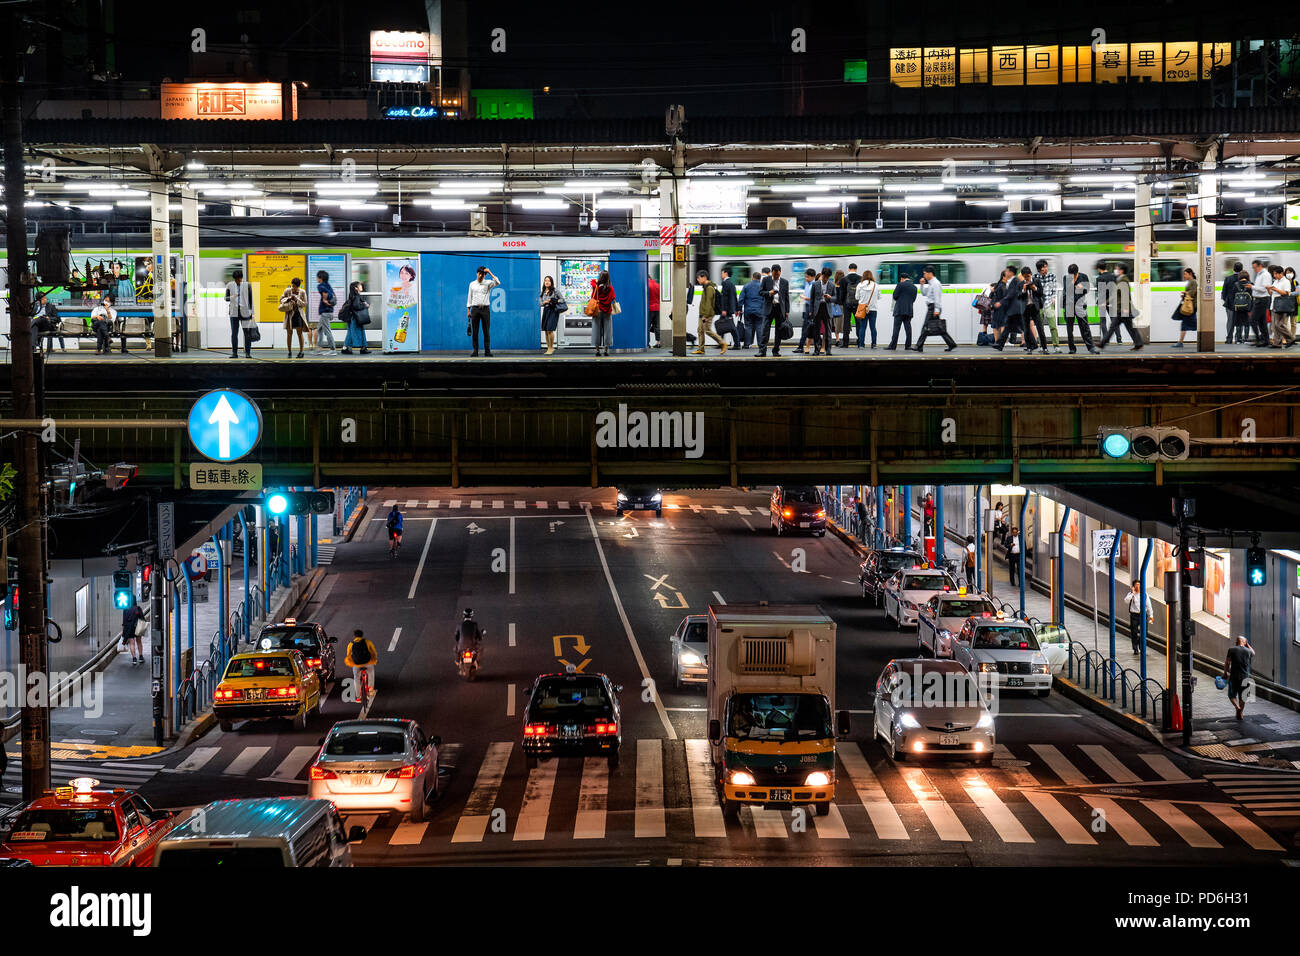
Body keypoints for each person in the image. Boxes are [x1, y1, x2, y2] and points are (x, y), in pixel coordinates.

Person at [913, 264, 956, 353]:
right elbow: (924, 293)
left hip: (933, 308)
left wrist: (936, 310)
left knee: (925, 326)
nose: (924, 275)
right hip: (932, 307)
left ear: (930, 273)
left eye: (925, 273)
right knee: (940, 328)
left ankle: (919, 346)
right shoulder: (931, 283)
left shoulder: (936, 283)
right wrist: (922, 285)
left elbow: (937, 298)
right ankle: (951, 344)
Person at [1098, 264, 1141, 350]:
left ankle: (1103, 343)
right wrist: (1106, 303)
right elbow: (1115, 295)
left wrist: (1125, 308)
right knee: (1127, 328)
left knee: (1115, 327)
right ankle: (1138, 343)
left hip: (1123, 309)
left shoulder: (1123, 280)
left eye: (1117, 269)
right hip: (1121, 309)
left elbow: (1125, 295)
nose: (1115, 270)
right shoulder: (1120, 279)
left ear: (1121, 270)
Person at [1063, 263, 1098, 353]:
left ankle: (1091, 348)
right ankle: (1072, 348)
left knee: (1085, 327)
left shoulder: (1083, 277)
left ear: (1077, 272)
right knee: (1069, 329)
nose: (1072, 276)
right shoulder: (1066, 278)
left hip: (1080, 306)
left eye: (1074, 275)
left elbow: (1087, 289)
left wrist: (1082, 288)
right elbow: (1067, 291)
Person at [692, 270, 727, 356]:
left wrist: (706, 316)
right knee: (700, 330)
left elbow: (708, 303)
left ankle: (722, 343)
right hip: (702, 313)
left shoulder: (709, 288)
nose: (698, 280)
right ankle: (701, 349)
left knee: (707, 330)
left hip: (707, 314)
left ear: (704, 277)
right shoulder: (705, 287)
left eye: (698, 278)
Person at [467, 265, 499, 357]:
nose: (481, 276)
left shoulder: (488, 283)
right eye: (480, 273)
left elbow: (497, 282)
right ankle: (475, 351)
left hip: (485, 309)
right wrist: (468, 310)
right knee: (475, 331)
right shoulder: (472, 284)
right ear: (477, 273)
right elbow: (470, 297)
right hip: (475, 309)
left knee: (486, 331)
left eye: (483, 274)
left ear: (485, 275)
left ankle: (487, 351)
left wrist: (490, 272)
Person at [991, 267, 1026, 351]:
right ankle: (999, 344)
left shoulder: (1015, 281)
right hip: (1013, 309)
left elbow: (1011, 294)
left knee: (1023, 327)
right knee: (1007, 327)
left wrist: (1001, 302)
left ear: (1011, 272)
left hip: (1015, 309)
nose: (1005, 272)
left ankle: (1032, 343)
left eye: (1007, 271)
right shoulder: (1012, 281)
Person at [759, 264, 789, 357]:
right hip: (769, 308)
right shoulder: (765, 280)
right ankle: (762, 351)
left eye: (778, 274)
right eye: (774, 274)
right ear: (772, 272)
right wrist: (769, 293)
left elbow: (786, 297)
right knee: (765, 330)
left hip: (780, 309)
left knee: (778, 331)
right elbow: (760, 292)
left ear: (780, 272)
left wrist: (787, 311)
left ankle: (776, 351)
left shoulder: (784, 282)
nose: (776, 276)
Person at [225, 268, 255, 358]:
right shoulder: (230, 285)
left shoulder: (247, 285)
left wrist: (252, 313)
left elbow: (251, 299)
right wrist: (232, 297)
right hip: (234, 311)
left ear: (242, 278)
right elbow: (225, 298)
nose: (238, 281)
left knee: (247, 333)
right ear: (234, 279)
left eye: (239, 279)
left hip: (245, 311)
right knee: (234, 333)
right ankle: (234, 353)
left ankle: (248, 353)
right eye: (236, 279)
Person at [1223, 635, 1254, 720]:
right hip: (1245, 677)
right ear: (1244, 642)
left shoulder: (1231, 649)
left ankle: (1237, 707)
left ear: (1236, 642)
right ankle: (1240, 713)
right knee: (1243, 697)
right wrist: (1247, 644)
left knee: (1231, 695)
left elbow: (1227, 662)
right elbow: (1253, 653)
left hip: (1234, 677)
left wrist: (1225, 673)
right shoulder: (1248, 651)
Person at [1036, 259, 1062, 353]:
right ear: (1039, 270)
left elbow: (1054, 288)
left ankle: (1056, 346)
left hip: (1048, 304)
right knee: (1040, 327)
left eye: (1046, 267)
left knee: (1053, 325)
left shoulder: (1052, 276)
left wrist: (1054, 297)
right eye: (1043, 268)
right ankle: (1041, 346)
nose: (1046, 269)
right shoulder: (1036, 277)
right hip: (1039, 305)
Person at [1266, 264, 1295, 348]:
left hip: (1281, 306)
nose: (1274, 276)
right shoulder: (1276, 281)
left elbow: (1286, 293)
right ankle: (1277, 343)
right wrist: (1269, 290)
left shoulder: (1285, 281)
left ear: (1281, 273)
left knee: (1279, 325)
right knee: (1275, 326)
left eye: (1275, 274)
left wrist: (1275, 289)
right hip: (1274, 305)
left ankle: (1290, 338)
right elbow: (1272, 294)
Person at [280, 277, 309, 359]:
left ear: (298, 286)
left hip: (298, 314)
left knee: (299, 333)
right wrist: (288, 299)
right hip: (289, 314)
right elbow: (281, 299)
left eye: (295, 286)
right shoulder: (287, 291)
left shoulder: (302, 292)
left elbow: (305, 304)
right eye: (292, 286)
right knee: (289, 333)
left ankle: (301, 351)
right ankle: (289, 351)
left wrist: (297, 299)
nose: (293, 288)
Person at [589, 270, 617, 357]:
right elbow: (613, 298)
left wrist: (596, 281)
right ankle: (606, 350)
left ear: (600, 277)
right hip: (607, 311)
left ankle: (597, 350)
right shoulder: (610, 287)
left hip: (597, 310)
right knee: (607, 330)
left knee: (596, 330)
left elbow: (592, 282)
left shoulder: (596, 287)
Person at [886, 274, 917, 350]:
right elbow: (914, 299)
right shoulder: (914, 287)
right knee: (908, 328)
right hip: (909, 310)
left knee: (896, 328)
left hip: (899, 310)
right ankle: (908, 346)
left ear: (902, 278)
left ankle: (893, 346)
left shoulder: (900, 285)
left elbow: (895, 296)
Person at [345, 628, 378, 699]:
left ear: (354, 636)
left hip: (357, 664)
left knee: (356, 678)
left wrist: (351, 663)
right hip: (367, 663)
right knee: (371, 674)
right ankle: (370, 690)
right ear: (362, 635)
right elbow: (373, 652)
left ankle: (358, 697)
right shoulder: (367, 642)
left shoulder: (351, 644)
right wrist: (374, 660)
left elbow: (348, 655)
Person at [340, 281, 370, 355]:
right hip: (355, 318)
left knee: (352, 332)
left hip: (353, 318)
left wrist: (363, 303)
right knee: (355, 332)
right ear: (356, 288)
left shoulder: (354, 295)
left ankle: (361, 348)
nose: (361, 286)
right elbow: (356, 306)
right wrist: (364, 305)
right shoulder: (356, 296)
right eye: (359, 285)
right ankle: (361, 348)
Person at [1023, 266, 1048, 354]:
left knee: (1040, 328)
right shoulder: (1020, 284)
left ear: (1031, 274)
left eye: (1028, 276)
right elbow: (1018, 297)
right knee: (1026, 329)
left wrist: (1035, 288)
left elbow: (1041, 293)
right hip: (1025, 309)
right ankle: (1029, 347)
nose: (1027, 278)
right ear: (1023, 276)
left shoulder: (1036, 281)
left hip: (1035, 307)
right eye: (1025, 277)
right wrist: (1023, 290)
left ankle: (1044, 348)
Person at [1248, 259, 1272, 348]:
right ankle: (1265, 340)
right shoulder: (1259, 274)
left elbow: (1264, 288)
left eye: (1255, 267)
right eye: (1253, 268)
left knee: (1252, 320)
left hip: (1262, 300)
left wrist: (1252, 287)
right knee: (1262, 322)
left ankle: (1259, 339)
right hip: (1258, 300)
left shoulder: (1265, 275)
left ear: (1260, 266)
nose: (1254, 269)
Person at [1124, 581, 1153, 655]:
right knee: (1134, 632)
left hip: (1143, 614)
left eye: (1139, 585)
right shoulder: (1131, 594)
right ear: (1133, 586)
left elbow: (1148, 605)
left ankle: (1141, 645)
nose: (1138, 587)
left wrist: (1151, 615)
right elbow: (1126, 601)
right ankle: (1135, 648)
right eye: (1136, 585)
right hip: (1134, 615)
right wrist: (1133, 593)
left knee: (1144, 632)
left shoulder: (1144, 594)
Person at [741, 270, 766, 355]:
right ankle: (760, 345)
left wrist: (739, 308)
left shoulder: (746, 286)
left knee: (748, 326)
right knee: (759, 327)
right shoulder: (762, 287)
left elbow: (741, 298)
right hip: (759, 310)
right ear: (759, 279)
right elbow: (765, 299)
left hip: (748, 310)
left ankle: (747, 344)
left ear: (752, 278)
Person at [1172, 267, 1198, 348]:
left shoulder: (1193, 282)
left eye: (1185, 274)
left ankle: (1180, 342)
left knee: (1187, 324)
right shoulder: (1191, 282)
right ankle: (1180, 342)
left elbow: (1193, 292)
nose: (1184, 276)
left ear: (1190, 274)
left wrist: (1185, 293)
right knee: (1189, 324)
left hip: (1191, 306)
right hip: (1190, 306)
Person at [1096, 263, 1121, 343]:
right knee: (1114, 320)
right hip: (1112, 301)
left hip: (1102, 301)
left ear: (1099, 269)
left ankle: (1106, 340)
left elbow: (1100, 291)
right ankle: (1119, 339)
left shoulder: (1099, 278)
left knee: (1103, 321)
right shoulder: (1113, 277)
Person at [718, 267, 742, 347]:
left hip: (727, 309)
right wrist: (736, 309)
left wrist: (724, 309)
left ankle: (736, 344)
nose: (721, 275)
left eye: (722, 273)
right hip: (730, 308)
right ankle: (722, 342)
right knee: (725, 325)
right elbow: (734, 297)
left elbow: (725, 298)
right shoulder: (731, 283)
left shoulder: (725, 283)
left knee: (731, 328)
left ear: (725, 273)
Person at [315, 270, 337, 354]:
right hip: (329, 311)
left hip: (325, 312)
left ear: (320, 278)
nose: (317, 279)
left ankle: (333, 349)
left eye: (317, 277)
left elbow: (325, 292)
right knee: (319, 329)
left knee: (327, 331)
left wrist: (324, 300)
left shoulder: (321, 285)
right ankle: (319, 349)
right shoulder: (328, 285)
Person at [855, 269, 879, 348]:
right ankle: (874, 344)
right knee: (873, 327)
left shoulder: (860, 285)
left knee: (862, 327)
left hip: (862, 309)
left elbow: (856, 297)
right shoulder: (876, 285)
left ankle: (861, 344)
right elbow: (879, 297)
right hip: (873, 309)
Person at [539, 275, 562, 356]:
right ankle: (548, 347)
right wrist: (544, 302)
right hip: (546, 310)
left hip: (553, 311)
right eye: (545, 280)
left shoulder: (555, 291)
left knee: (550, 329)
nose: (547, 282)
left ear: (551, 282)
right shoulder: (542, 291)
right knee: (545, 330)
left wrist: (554, 300)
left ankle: (551, 348)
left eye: (548, 280)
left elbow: (562, 299)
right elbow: (540, 303)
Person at [1222, 262, 1243, 345]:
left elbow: (1224, 292)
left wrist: (1225, 300)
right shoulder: (1243, 279)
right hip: (1241, 304)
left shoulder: (1228, 278)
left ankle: (1229, 339)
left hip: (1230, 303)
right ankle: (1238, 339)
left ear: (1233, 269)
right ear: (1241, 269)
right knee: (1239, 321)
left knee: (1230, 321)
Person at [122, 600, 147, 666]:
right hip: (138, 627)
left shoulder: (125, 609)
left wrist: (123, 632)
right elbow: (143, 618)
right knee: (139, 642)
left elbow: (124, 622)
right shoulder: (138, 608)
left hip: (129, 628)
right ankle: (141, 657)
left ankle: (134, 659)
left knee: (132, 643)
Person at [647, 274, 661, 347]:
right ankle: (658, 342)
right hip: (657, 308)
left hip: (649, 308)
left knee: (647, 326)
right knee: (657, 326)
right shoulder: (657, 285)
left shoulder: (647, 285)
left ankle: (647, 343)